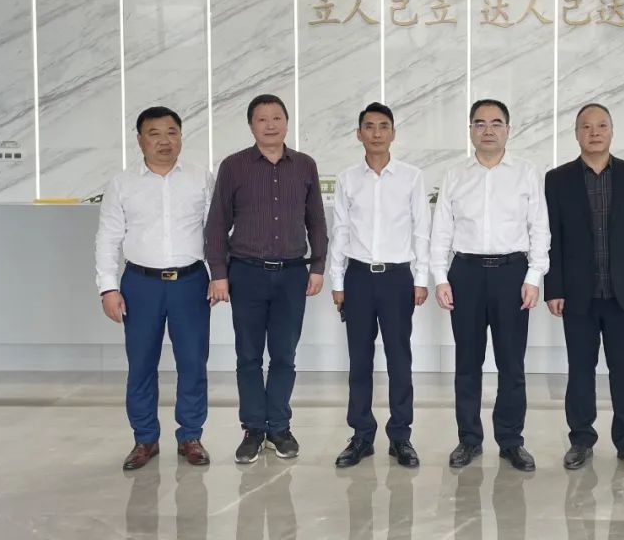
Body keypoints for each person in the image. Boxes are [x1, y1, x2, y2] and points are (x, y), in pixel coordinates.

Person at [205, 93, 328, 464]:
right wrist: (219, 274)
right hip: (246, 273)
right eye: (262, 119)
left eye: (277, 117)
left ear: (287, 123)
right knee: (248, 356)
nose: (270, 124)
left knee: (284, 356)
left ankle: (279, 426)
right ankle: (253, 429)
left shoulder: (304, 165)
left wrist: (317, 267)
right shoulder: (234, 166)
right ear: (251, 125)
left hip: (292, 274)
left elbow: (317, 222)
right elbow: (217, 224)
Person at [431, 99, 550, 472]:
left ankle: (511, 441)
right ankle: (469, 439)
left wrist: (533, 277)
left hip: (512, 274)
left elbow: (539, 228)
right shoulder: (455, 175)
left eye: (496, 123)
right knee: (467, 362)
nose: (488, 130)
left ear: (508, 130)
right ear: (470, 130)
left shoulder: (526, 173)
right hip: (465, 273)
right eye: (479, 123)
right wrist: (440, 277)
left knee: (511, 363)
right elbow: (441, 230)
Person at [95, 106, 215, 470]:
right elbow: (107, 238)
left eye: (172, 132)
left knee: (193, 362)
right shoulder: (122, 183)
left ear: (181, 136)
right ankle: (145, 438)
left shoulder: (200, 178)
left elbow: (215, 232)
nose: (165, 141)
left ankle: (190, 435)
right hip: (140, 284)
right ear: (139, 140)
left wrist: (218, 276)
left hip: (190, 282)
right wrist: (108, 288)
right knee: (141, 364)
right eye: (155, 134)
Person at [544, 103, 624, 474]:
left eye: (601, 126)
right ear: (576, 134)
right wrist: (553, 288)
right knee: (580, 370)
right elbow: (552, 239)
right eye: (586, 127)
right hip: (578, 293)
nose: (594, 133)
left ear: (611, 131)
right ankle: (581, 440)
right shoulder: (557, 179)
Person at [327, 102, 431, 469]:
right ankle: (361, 435)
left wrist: (421, 279)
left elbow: (421, 229)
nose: (376, 133)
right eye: (369, 126)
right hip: (357, 277)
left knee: (399, 358)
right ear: (359, 134)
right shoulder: (347, 179)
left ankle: (400, 436)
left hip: (397, 277)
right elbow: (340, 231)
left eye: (383, 126)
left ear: (393, 133)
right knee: (359, 360)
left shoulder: (411, 177)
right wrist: (337, 280)